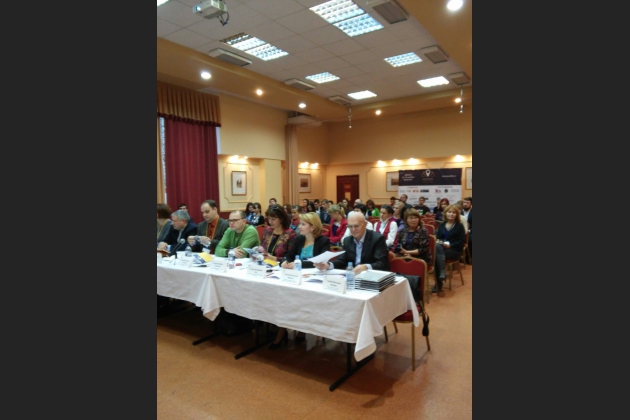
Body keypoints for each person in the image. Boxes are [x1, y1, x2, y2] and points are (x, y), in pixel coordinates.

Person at [273, 213, 331, 349]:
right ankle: (284, 328)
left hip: (315, 279)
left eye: (303, 224)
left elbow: (319, 262)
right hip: (297, 277)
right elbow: (289, 255)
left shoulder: (323, 241)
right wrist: (285, 262)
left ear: (312, 227)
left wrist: (298, 264)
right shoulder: (299, 239)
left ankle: (301, 328)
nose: (299, 226)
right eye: (300, 224)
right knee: (286, 298)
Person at [315, 212, 389, 274]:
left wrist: (366, 267)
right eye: (350, 226)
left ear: (365, 224)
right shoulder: (347, 240)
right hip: (353, 276)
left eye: (356, 226)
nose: (353, 229)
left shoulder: (377, 239)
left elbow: (382, 263)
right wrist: (328, 265)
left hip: (371, 277)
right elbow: (341, 261)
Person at [433, 205, 466, 297]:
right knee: (437, 249)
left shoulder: (459, 226)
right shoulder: (442, 225)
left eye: (453, 212)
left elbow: (461, 241)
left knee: (436, 257)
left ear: (456, 214)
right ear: (445, 213)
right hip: (442, 248)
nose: (451, 214)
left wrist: (450, 245)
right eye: (449, 212)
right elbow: (439, 238)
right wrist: (442, 243)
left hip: (454, 250)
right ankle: (442, 274)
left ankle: (438, 284)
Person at [461, 196, 473, 263]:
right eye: (464, 202)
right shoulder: (459, 212)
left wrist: (468, 230)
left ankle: (469, 257)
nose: (465, 204)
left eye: (467, 203)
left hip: (470, 231)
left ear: (471, 204)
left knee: (471, 239)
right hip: (460, 231)